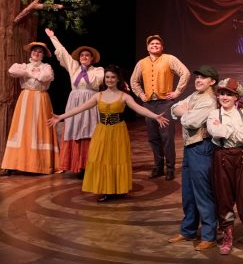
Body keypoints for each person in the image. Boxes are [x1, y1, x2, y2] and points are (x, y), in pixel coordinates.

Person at [48, 65, 170, 202]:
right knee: (103, 159)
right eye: (107, 77)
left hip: (118, 131)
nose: (109, 80)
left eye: (113, 77)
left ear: (118, 79)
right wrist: (61, 117)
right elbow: (79, 108)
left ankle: (118, 188)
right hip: (102, 131)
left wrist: (155, 116)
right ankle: (107, 189)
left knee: (117, 159)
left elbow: (139, 109)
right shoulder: (98, 96)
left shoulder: (124, 96)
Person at [207, 78, 243, 255]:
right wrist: (232, 131)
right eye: (222, 93)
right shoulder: (213, 115)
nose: (224, 97)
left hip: (241, 158)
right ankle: (227, 235)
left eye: (228, 94)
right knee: (224, 198)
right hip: (221, 157)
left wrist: (226, 129)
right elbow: (214, 132)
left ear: (236, 97)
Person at [169, 64, 220, 251]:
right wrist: (182, 110)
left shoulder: (209, 100)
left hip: (202, 148)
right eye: (197, 77)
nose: (198, 80)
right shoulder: (195, 96)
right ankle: (188, 230)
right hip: (190, 148)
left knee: (203, 194)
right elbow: (174, 108)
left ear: (212, 81)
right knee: (188, 193)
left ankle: (209, 235)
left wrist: (185, 111)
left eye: (203, 78)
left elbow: (192, 122)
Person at [129, 34, 190, 180]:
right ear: (147, 47)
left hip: (164, 103)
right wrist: (141, 95)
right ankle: (158, 167)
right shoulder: (141, 63)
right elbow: (133, 81)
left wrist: (177, 92)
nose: (154, 45)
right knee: (153, 137)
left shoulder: (169, 59)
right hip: (149, 104)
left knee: (167, 137)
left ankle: (170, 168)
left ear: (162, 47)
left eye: (157, 44)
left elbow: (185, 73)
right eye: (151, 44)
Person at [44, 27, 103, 177]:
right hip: (74, 102)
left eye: (87, 55)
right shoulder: (74, 67)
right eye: (82, 55)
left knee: (89, 130)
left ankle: (90, 164)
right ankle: (77, 164)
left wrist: (86, 70)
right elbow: (63, 52)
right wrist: (53, 37)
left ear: (92, 58)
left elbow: (95, 82)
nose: (84, 57)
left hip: (90, 102)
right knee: (75, 129)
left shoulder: (98, 70)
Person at [1, 41, 60, 175]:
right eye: (34, 51)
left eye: (39, 52)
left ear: (43, 55)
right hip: (26, 98)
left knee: (39, 128)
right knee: (22, 129)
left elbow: (47, 77)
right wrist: (29, 71)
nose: (36, 53)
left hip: (41, 98)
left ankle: (39, 165)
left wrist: (29, 74)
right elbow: (12, 70)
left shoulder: (46, 66)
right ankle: (13, 164)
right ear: (31, 53)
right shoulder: (24, 66)